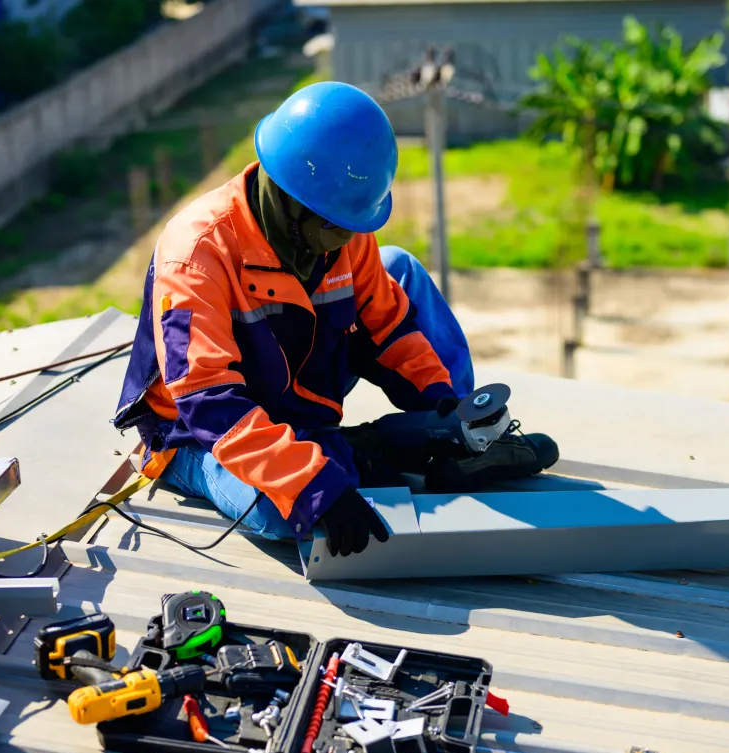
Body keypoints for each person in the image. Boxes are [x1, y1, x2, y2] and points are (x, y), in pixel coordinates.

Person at [113, 82, 557, 558]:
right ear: (292, 202)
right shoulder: (198, 253)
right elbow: (209, 403)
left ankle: (461, 443)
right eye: (338, 226)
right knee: (283, 510)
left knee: (398, 268)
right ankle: (356, 452)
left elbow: (388, 328)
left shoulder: (340, 228)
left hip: (294, 395)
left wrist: (441, 400)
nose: (349, 238)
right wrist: (311, 485)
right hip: (197, 435)